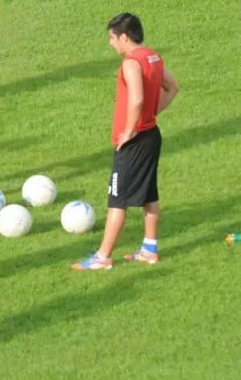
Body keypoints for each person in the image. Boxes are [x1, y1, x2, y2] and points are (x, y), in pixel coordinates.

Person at [74, 14, 178, 271]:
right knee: (149, 194)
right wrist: (151, 116)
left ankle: (103, 257)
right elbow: (172, 87)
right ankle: (149, 250)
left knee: (116, 200)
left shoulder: (131, 63)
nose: (111, 43)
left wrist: (130, 130)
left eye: (112, 38)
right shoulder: (153, 57)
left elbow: (137, 99)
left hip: (134, 143)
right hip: (152, 135)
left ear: (123, 37)